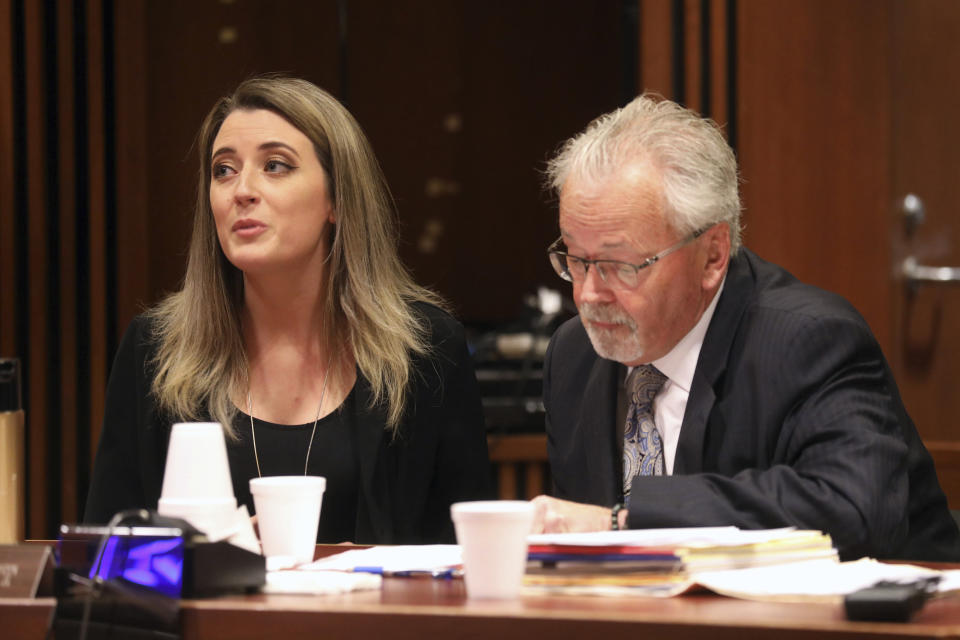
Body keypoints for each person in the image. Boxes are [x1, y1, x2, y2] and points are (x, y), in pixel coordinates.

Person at [530, 94, 960, 561]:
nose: (589, 294)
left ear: (713, 254)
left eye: (618, 264)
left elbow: (854, 508)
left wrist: (629, 523)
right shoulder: (574, 356)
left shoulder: (809, 341)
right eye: (576, 259)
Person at [84, 76, 491, 544]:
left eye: (275, 166)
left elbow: (467, 561)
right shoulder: (154, 352)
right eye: (223, 170)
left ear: (336, 200)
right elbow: (104, 560)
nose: (242, 190)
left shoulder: (426, 352)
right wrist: (211, 556)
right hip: (212, 619)